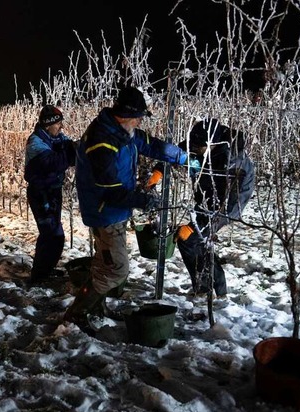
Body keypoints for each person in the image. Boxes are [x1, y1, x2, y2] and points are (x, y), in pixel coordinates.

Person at [65, 86, 199, 325]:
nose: (140, 122)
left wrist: (183, 158)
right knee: (116, 269)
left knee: (104, 263)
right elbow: (110, 190)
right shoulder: (102, 142)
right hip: (105, 212)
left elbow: (152, 145)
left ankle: (96, 309)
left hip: (114, 210)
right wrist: (143, 200)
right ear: (128, 115)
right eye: (139, 117)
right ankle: (77, 313)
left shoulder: (121, 131)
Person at [148, 119, 255, 297]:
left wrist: (194, 225)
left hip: (228, 202)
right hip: (209, 189)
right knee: (197, 240)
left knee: (191, 238)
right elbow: (184, 148)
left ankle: (210, 290)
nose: (194, 149)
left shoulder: (230, 162)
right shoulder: (205, 139)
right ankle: (211, 289)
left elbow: (221, 204)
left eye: (198, 147)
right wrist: (160, 169)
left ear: (212, 144)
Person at [24, 105, 77, 284]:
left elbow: (69, 145)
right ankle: (39, 275)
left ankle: (46, 270)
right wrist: (70, 155)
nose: (61, 127)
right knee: (51, 234)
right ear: (48, 125)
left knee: (54, 234)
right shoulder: (35, 143)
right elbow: (52, 163)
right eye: (58, 124)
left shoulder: (55, 138)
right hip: (41, 193)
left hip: (52, 191)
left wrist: (75, 148)